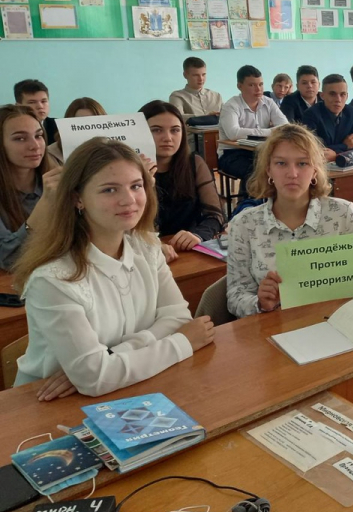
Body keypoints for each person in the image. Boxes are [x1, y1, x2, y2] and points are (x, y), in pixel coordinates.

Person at [13, 138, 215, 399]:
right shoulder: (53, 279)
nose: (129, 200)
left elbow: (177, 319)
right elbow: (95, 378)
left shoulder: (147, 247)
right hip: (48, 403)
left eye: (136, 186)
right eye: (110, 190)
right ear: (78, 199)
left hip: (130, 387)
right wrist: (183, 342)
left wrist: (111, 357)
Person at [226, 124, 353, 318]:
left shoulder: (343, 213)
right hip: (276, 330)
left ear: (315, 171)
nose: (292, 174)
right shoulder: (244, 225)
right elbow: (235, 296)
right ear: (268, 171)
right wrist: (260, 302)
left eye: (302, 163)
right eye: (281, 163)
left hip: (341, 324)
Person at [140, 101, 224, 258]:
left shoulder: (194, 163)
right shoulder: (128, 170)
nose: (168, 138)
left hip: (186, 249)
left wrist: (198, 235)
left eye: (175, 130)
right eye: (156, 130)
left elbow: (216, 214)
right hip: (145, 252)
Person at [0, 105, 61, 271]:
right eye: (20, 138)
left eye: (39, 136)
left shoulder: (55, 178)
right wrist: (46, 202)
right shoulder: (50, 192)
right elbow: (8, 258)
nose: (35, 146)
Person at [218, 65, 288, 194]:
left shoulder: (268, 102)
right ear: (240, 86)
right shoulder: (230, 106)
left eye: (261, 84)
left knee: (280, 167)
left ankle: (273, 204)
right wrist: (270, 131)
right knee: (255, 171)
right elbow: (233, 133)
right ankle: (246, 207)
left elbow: (285, 126)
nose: (258, 89)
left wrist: (270, 131)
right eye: (252, 85)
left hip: (260, 151)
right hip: (232, 154)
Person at [303, 74, 353, 162]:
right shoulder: (311, 115)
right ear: (322, 96)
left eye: (342, 94)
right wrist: (345, 146)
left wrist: (337, 155)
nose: (338, 99)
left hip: (345, 167)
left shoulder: (351, 112)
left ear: (347, 96)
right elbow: (313, 151)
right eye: (332, 94)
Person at [47, 97, 107, 165]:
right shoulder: (52, 153)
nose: (87, 128)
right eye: (80, 123)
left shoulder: (114, 149)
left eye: (92, 122)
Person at [13, 79, 58, 143]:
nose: (40, 106)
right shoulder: (10, 128)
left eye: (44, 101)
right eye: (32, 102)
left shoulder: (59, 126)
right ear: (18, 106)